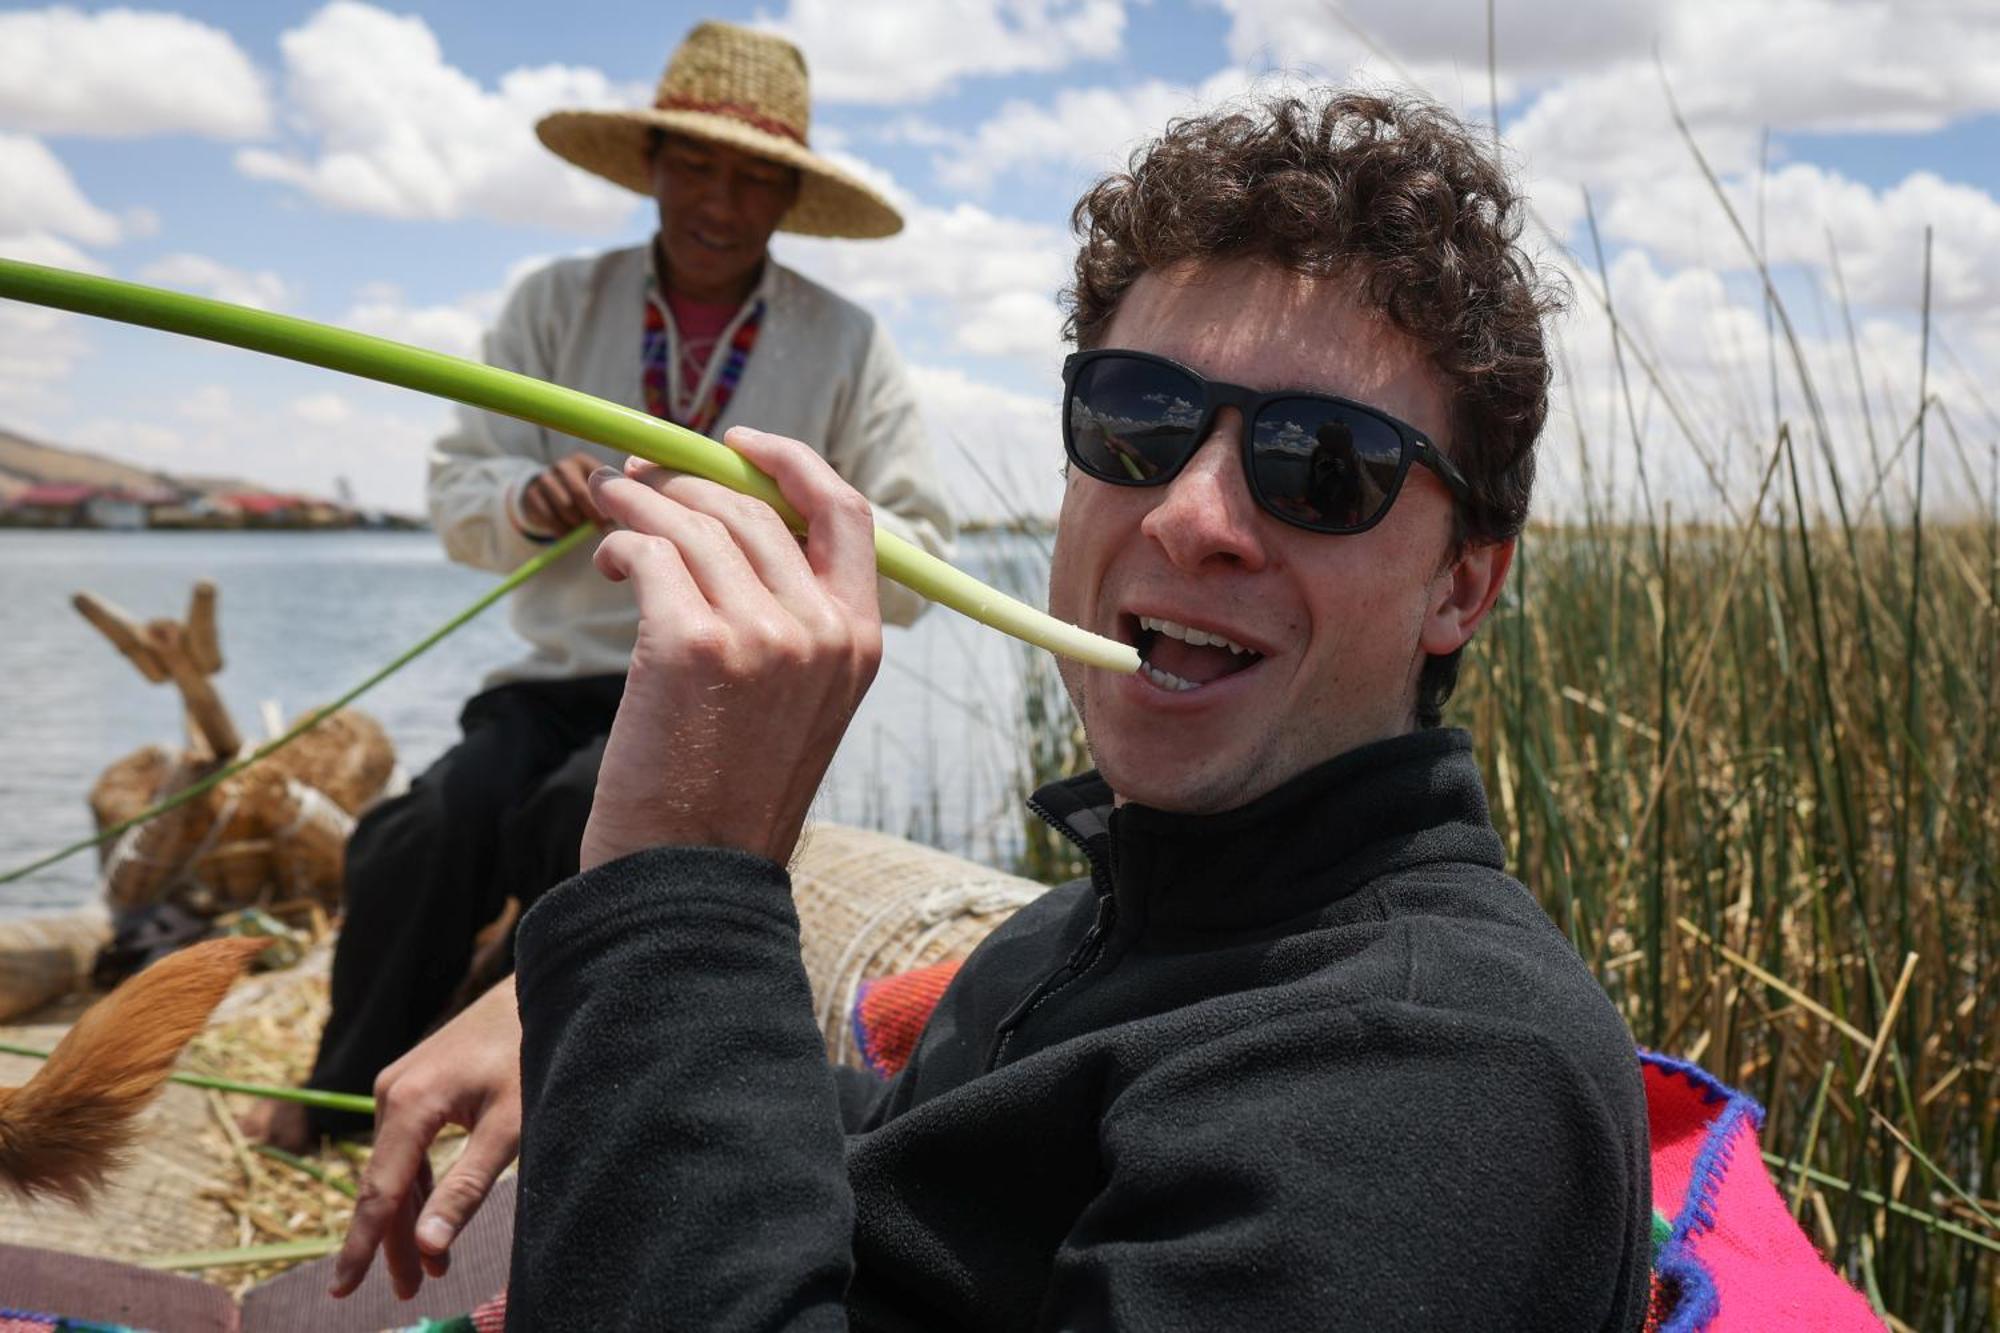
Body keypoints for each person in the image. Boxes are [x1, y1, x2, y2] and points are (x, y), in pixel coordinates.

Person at [330, 92, 1654, 1330]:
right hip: (550, 688)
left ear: (1464, 586)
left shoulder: (1439, 1080)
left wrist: (671, 907)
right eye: (1138, 420)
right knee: (419, 838)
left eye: (1320, 465)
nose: (1192, 516)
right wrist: (587, 1021)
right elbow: (924, 1184)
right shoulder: (1082, 936)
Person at [248, 21, 952, 1151]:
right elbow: (457, 483)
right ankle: (338, 1107)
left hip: (730, 682)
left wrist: (768, 511)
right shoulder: (554, 303)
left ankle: (557, 1106)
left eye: (754, 176)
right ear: (652, 169)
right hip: (561, 674)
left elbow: (915, 552)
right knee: (419, 833)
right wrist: (532, 497)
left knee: (574, 821)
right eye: (697, 166)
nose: (720, 200)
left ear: (785, 199)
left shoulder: (845, 342)